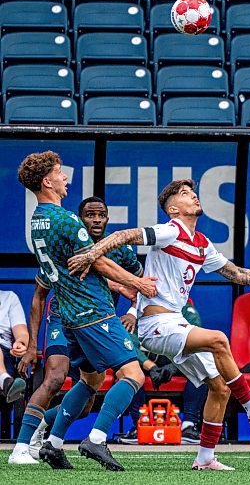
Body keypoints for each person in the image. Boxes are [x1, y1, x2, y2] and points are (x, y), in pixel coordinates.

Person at [68, 178, 250, 471]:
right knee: (219, 339)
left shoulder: (201, 244)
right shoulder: (169, 230)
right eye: (186, 194)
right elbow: (123, 235)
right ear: (173, 208)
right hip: (156, 324)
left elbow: (236, 274)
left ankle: (205, 457)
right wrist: (92, 253)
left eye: (193, 192)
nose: (194, 197)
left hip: (176, 322)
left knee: (220, 387)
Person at [10, 151, 157, 471]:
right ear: (47, 181)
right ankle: (97, 438)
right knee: (134, 374)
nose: (66, 178)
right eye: (60, 173)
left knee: (90, 381)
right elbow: (98, 261)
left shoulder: (37, 221)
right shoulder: (65, 219)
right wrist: (137, 282)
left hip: (69, 315)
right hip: (93, 311)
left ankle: (53, 443)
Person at [118, 298, 207, 445]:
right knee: (126, 370)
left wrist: (174, 366)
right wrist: (150, 367)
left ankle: (189, 427)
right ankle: (140, 424)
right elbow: (129, 342)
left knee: (202, 368)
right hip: (146, 363)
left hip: (177, 362)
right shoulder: (142, 309)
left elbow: (195, 339)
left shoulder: (186, 308)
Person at [0, 290, 28, 403]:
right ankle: (5, 382)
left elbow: (22, 333)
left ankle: (5, 380)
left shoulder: (9, 298)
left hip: (3, 352)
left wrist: (20, 343)